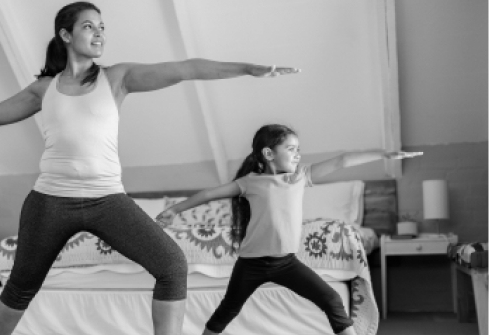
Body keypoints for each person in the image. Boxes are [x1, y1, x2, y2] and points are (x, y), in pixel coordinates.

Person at [0, 1, 300, 335]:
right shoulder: (43, 90)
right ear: (65, 35)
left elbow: (185, 68)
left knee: (171, 265)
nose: (99, 33)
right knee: (21, 285)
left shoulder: (117, 78)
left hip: (107, 200)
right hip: (50, 201)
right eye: (89, 26)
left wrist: (248, 68)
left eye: (102, 27)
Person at [156, 124, 422, 335]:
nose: (298, 154)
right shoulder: (250, 182)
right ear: (269, 154)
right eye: (291, 149)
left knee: (331, 299)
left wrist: (383, 155)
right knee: (227, 310)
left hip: (286, 263)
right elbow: (209, 194)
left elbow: (342, 161)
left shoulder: (299, 177)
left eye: (298, 149)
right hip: (251, 264)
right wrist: (175, 210)